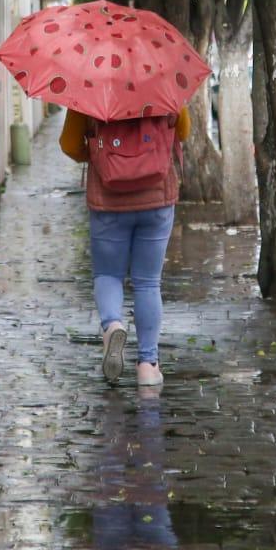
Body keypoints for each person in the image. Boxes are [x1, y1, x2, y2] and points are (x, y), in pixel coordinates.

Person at [60, 107, 191, 385]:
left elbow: (69, 144)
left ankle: (113, 325)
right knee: (147, 282)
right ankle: (147, 364)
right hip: (156, 197)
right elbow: (183, 131)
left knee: (108, 274)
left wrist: (98, 155)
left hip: (108, 200)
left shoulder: (90, 86)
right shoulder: (164, 82)